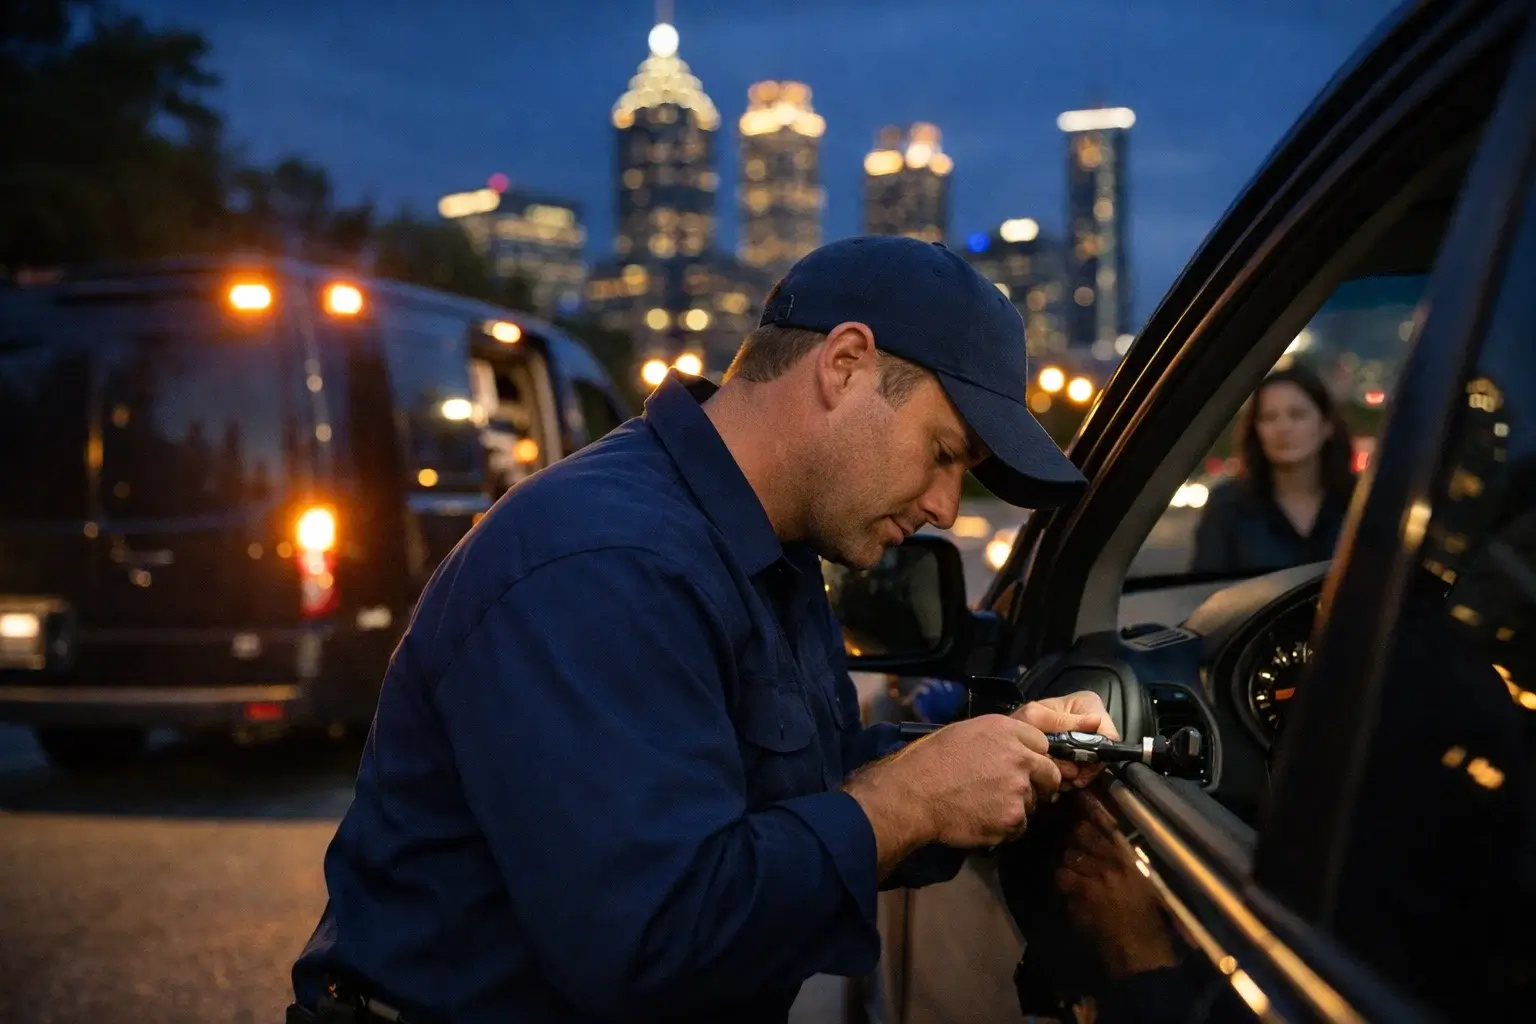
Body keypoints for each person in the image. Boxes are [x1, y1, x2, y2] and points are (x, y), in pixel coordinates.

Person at [288, 236, 1118, 1023]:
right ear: (845, 364)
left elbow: (787, 795)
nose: (944, 505)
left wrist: (992, 755)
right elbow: (647, 942)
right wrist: (914, 799)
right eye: (944, 451)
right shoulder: (605, 563)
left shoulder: (767, 548)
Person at [1191, 362, 1357, 574]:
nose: (1283, 428)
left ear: (1326, 425)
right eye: (1269, 417)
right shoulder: (1228, 507)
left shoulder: (1360, 503)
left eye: (1297, 415)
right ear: (1256, 430)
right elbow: (1204, 592)